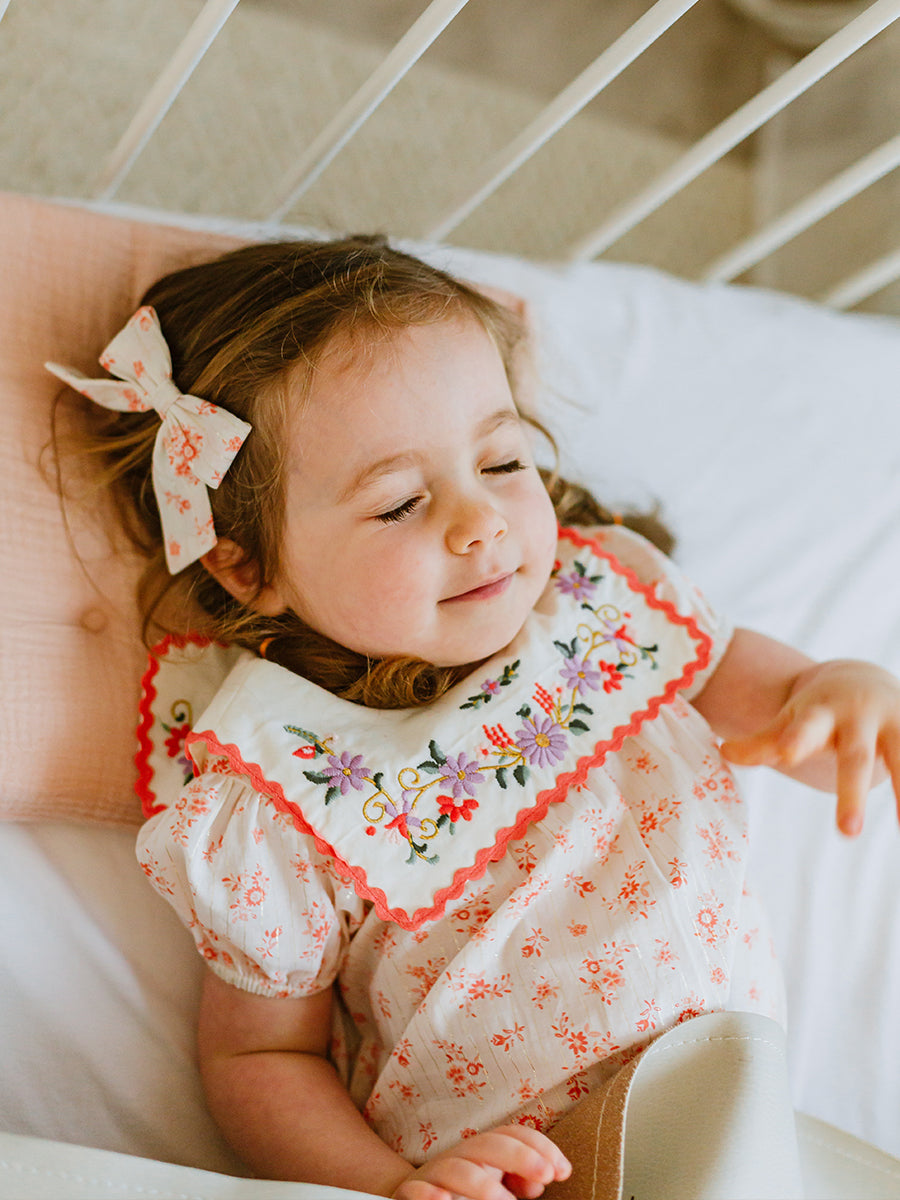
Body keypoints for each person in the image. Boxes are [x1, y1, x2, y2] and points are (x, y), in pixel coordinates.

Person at [47, 236, 900, 1200]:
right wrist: (398, 1184)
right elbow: (260, 1062)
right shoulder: (283, 788)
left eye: (501, 460)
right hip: (527, 1172)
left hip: (739, 1129)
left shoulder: (606, 601)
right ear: (248, 565)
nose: (481, 521)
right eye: (400, 504)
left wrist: (843, 693)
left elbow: (793, 722)